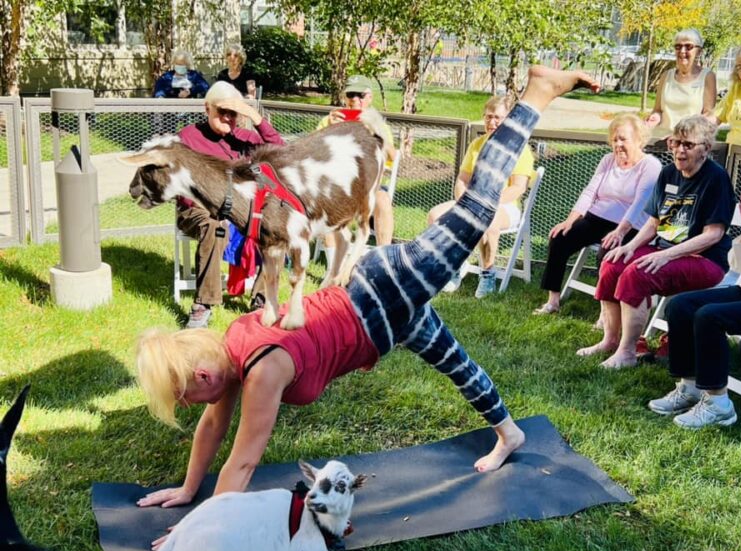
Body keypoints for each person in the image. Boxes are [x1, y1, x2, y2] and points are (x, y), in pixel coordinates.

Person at [135, 67, 601, 524]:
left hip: (384, 291)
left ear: (201, 373)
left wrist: (199, 530)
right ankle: (509, 433)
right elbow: (215, 426)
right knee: (457, 364)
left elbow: (242, 462)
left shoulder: (261, 368)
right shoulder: (230, 348)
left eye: (183, 396)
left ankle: (536, 95)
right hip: (385, 322)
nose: (190, 406)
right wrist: (189, 488)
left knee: (477, 209)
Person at [648, 130, 741, 429]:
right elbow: (740, 264)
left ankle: (718, 403)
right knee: (680, 306)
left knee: (710, 316)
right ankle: (691, 386)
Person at [578, 115, 735, 368]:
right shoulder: (669, 173)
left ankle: (627, 352)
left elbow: (713, 235)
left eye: (688, 144)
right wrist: (629, 246)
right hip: (664, 250)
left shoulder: (715, 178)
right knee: (612, 264)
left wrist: (665, 255)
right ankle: (611, 340)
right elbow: (653, 223)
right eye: (675, 143)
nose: (679, 150)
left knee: (637, 273)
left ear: (705, 149)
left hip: (704, 259)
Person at [176, 81, 284, 328]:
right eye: (221, 111)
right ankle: (203, 305)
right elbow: (179, 183)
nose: (227, 117)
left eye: (232, 113)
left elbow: (279, 150)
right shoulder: (188, 137)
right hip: (198, 207)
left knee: (275, 226)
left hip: (240, 209)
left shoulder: (244, 138)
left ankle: (262, 300)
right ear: (207, 108)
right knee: (213, 225)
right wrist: (212, 205)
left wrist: (254, 116)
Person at [535, 114, 661, 315]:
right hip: (596, 218)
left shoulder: (651, 165)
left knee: (608, 252)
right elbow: (589, 192)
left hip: (630, 225)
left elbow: (640, 203)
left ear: (639, 139)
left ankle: (605, 314)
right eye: (614, 139)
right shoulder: (608, 160)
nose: (618, 144)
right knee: (559, 238)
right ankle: (553, 302)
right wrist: (569, 221)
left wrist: (620, 232)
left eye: (623, 139)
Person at [427, 96, 535, 298]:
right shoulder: (476, 144)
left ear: (509, 120)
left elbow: (518, 188)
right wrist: (463, 203)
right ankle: (452, 267)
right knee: (436, 215)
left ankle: (487, 274)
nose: (492, 122)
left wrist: (487, 204)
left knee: (487, 220)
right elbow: (462, 180)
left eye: (498, 118)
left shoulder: (520, 149)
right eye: (488, 117)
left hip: (505, 206)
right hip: (472, 201)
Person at [316, 76, 397, 273]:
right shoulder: (329, 120)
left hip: (368, 186)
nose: (354, 100)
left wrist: (375, 132)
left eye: (359, 95)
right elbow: (313, 153)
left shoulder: (377, 123)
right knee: (327, 203)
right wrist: (329, 129)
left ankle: (382, 263)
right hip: (337, 185)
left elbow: (393, 158)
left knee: (383, 201)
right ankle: (333, 269)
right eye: (350, 95)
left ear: (369, 97)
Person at [646, 29, 716, 140]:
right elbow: (658, 110)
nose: (682, 51)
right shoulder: (666, 76)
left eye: (688, 46)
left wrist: (684, 134)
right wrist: (654, 118)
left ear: (699, 51)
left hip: (687, 144)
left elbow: (709, 116)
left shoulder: (707, 77)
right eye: (678, 47)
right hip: (660, 141)